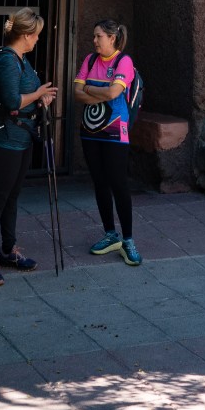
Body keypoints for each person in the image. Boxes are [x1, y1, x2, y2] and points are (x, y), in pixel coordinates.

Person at [0, 8, 57, 286]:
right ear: (25, 35)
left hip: (22, 137)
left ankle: (8, 250)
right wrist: (38, 94)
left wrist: (41, 99)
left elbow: (27, 95)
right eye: (36, 35)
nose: (38, 39)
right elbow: (12, 101)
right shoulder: (8, 61)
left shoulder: (22, 59)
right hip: (5, 139)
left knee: (12, 196)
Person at [74, 19, 141, 266]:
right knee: (99, 182)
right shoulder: (90, 60)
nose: (94, 41)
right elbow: (76, 93)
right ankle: (110, 234)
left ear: (112, 38)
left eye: (98, 36)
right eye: (94, 36)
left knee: (118, 183)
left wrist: (89, 90)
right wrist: (99, 92)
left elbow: (114, 93)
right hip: (89, 131)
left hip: (115, 133)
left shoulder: (124, 61)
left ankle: (128, 240)